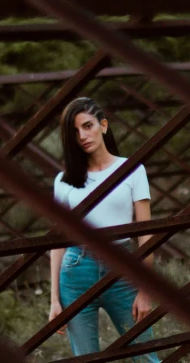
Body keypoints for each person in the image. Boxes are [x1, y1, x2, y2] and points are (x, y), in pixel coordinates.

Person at [49, 97, 160, 362]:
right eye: (75, 132)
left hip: (121, 268)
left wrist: (145, 290)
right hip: (76, 270)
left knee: (146, 357)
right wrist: (54, 299)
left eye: (88, 126)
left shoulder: (132, 170)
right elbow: (57, 242)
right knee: (86, 358)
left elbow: (145, 234)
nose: (83, 136)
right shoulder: (64, 181)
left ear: (104, 125)